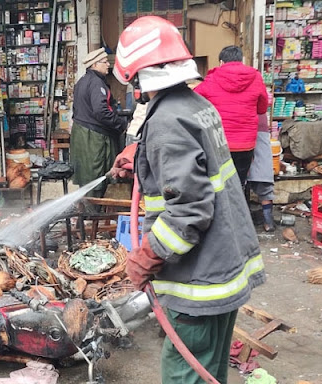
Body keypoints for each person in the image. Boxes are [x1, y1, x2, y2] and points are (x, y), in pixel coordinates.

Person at [111, 16, 266, 383]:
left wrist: (149, 254)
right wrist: (144, 154)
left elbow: (190, 210)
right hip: (224, 265)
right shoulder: (195, 105)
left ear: (137, 77)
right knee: (209, 365)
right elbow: (200, 169)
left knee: (186, 372)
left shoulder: (166, 121)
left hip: (199, 280)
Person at [194, 46, 268, 187]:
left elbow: (193, 103)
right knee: (239, 182)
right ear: (241, 60)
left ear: (221, 62)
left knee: (219, 183)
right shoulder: (256, 77)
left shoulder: (211, 79)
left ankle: (223, 208)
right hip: (246, 143)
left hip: (219, 142)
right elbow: (262, 108)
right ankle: (240, 207)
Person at [70, 47, 127, 198]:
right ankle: (95, 213)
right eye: (104, 62)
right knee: (96, 173)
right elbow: (101, 111)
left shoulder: (82, 81)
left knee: (87, 175)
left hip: (83, 132)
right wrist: (121, 124)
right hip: (94, 137)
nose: (108, 65)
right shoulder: (96, 83)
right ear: (94, 65)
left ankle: (88, 214)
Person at [248, 113, 276, 232]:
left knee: (238, 185)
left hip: (235, 130)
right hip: (258, 127)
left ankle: (243, 223)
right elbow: (263, 104)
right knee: (264, 182)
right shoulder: (258, 94)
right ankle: (268, 222)